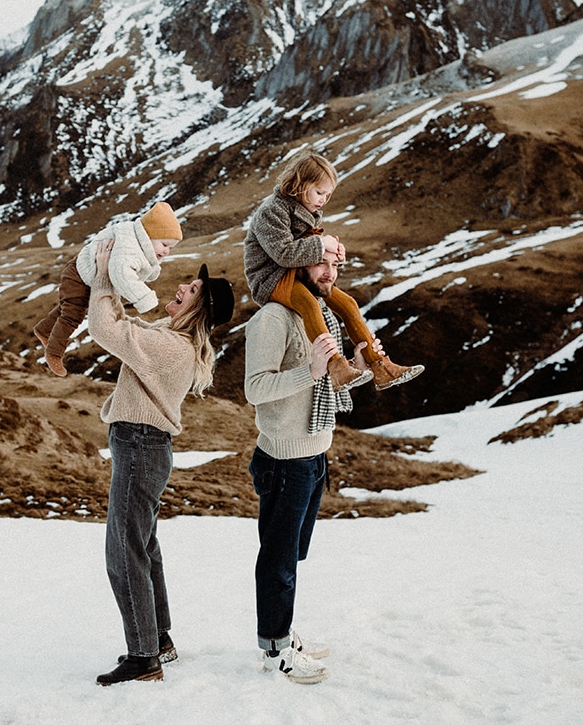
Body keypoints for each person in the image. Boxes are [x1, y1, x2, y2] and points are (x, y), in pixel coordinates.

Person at [87, 237, 235, 686]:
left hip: (139, 447)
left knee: (124, 551)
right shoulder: (172, 340)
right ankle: (159, 640)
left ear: (199, 306)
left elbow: (106, 330)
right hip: (143, 448)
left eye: (192, 288)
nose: (183, 286)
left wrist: (103, 275)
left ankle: (144, 657)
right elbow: (127, 327)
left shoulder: (172, 348)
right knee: (144, 546)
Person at [243, 249, 385, 684]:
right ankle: (275, 649)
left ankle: (281, 633)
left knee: (293, 554)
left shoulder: (318, 312)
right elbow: (255, 389)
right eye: (322, 263)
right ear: (297, 264)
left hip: (313, 452)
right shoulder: (272, 318)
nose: (330, 273)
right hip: (285, 459)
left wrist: (358, 367)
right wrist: (311, 369)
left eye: (336, 266)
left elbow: (326, 381)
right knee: (279, 561)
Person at [243, 151, 423, 391]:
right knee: (309, 303)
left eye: (328, 194)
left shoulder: (309, 211)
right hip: (271, 277)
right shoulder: (271, 211)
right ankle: (336, 367)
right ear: (299, 184)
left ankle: (379, 366)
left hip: (297, 273)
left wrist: (332, 252)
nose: (323, 200)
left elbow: (308, 247)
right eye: (319, 192)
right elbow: (283, 254)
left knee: (347, 304)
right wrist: (322, 244)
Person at [33, 202, 183, 376]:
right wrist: (144, 299)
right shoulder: (129, 248)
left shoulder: (137, 241)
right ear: (148, 236)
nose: (167, 252)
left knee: (69, 307)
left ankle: (44, 330)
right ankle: (53, 353)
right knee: (72, 314)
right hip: (79, 275)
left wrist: (152, 269)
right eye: (165, 245)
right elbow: (121, 274)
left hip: (85, 275)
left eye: (171, 248)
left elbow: (142, 265)